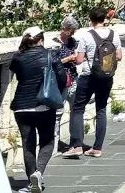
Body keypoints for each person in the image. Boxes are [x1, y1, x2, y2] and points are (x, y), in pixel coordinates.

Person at [10, 27, 64, 193]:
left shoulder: (17, 57)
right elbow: (62, 78)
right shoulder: (51, 55)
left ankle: (31, 182)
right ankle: (38, 172)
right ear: (41, 39)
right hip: (44, 104)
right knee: (47, 140)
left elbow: (18, 75)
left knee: (28, 143)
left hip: (21, 106)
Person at [64, 6, 123, 158]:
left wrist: (81, 57)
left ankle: (77, 145)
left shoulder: (86, 36)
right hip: (106, 76)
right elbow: (119, 56)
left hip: (88, 76)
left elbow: (78, 60)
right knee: (101, 109)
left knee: (78, 108)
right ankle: (97, 148)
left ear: (90, 20)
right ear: (104, 18)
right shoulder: (113, 34)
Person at [51, 16, 80, 152]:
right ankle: (54, 144)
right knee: (58, 112)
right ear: (64, 28)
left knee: (76, 110)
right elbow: (53, 63)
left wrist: (77, 58)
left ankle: (75, 143)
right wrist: (69, 58)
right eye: (71, 31)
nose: (73, 33)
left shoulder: (73, 42)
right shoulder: (54, 42)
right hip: (60, 81)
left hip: (73, 78)